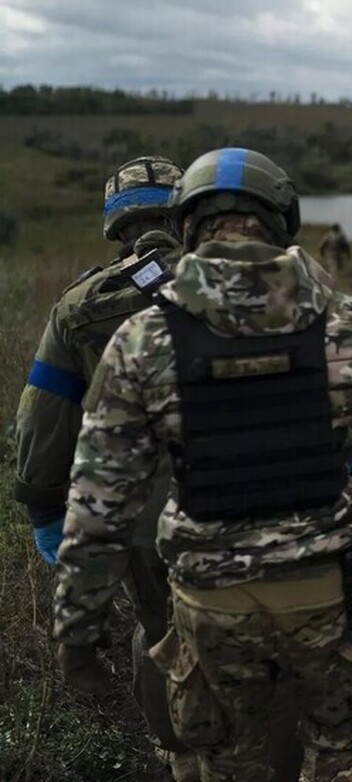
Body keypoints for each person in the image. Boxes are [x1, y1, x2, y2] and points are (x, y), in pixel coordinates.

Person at [52, 147, 352, 780]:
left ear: (188, 225)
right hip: (329, 592)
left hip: (211, 604)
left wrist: (78, 632)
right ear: (282, 217)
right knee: (347, 756)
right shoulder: (348, 325)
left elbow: (98, 507)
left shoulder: (144, 340)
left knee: (233, 762)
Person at [13, 155, 204, 780]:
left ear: (114, 223)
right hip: (242, 499)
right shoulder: (236, 281)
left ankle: (181, 761)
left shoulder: (78, 308)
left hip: (138, 517)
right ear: (183, 211)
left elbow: (43, 426)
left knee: (159, 629)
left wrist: (45, 508)